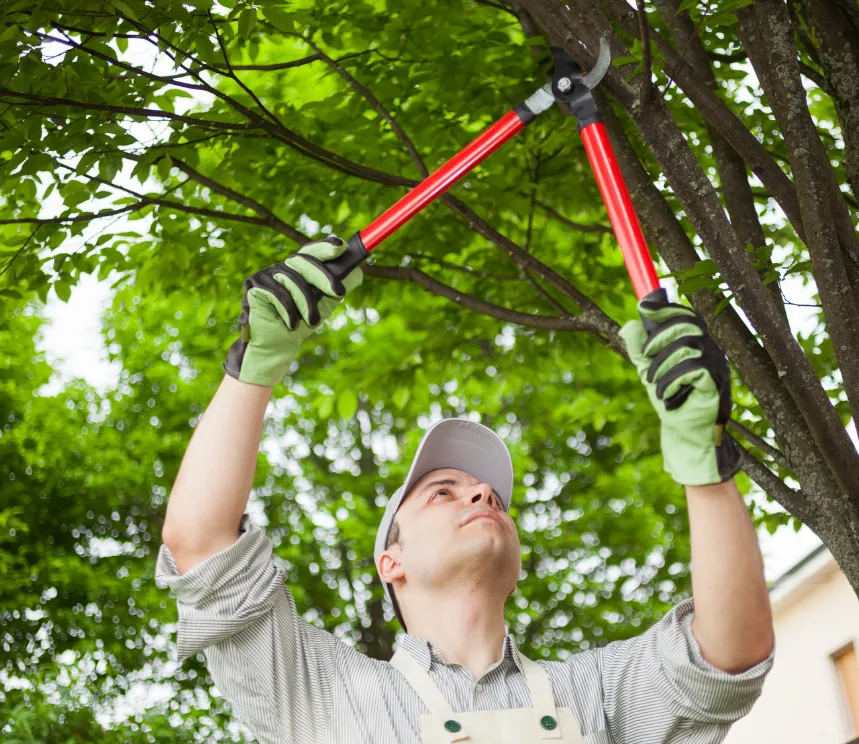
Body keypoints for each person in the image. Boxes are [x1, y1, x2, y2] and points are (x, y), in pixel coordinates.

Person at [156, 238, 775, 744]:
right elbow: (201, 545)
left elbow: (729, 655)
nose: (481, 496)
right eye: (443, 493)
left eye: (493, 499)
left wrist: (705, 462)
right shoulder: (321, 694)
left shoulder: (596, 694)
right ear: (389, 562)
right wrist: (255, 364)